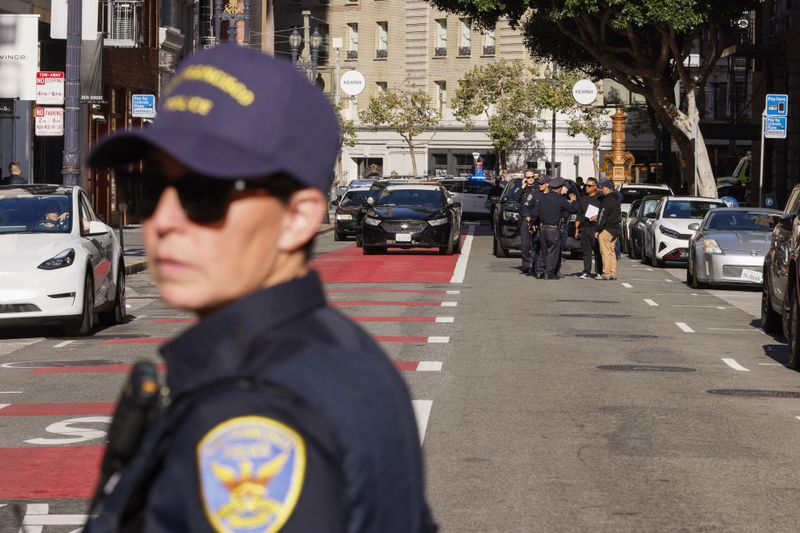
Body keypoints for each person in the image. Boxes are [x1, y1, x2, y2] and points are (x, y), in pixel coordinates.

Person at [83, 45, 435, 533]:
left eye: (202, 194)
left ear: (298, 219)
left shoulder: (256, 412)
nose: (163, 220)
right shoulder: (328, 355)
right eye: (147, 189)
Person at [532, 176, 577, 279]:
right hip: (553, 228)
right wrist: (573, 200)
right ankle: (549, 272)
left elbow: (535, 213)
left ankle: (540, 272)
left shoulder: (542, 197)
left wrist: (533, 224)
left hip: (542, 228)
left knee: (543, 251)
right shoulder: (559, 199)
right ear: (560, 188)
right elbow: (573, 209)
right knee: (553, 251)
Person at [575, 177, 603, 279]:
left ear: (595, 187)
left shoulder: (600, 199)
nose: (587, 187)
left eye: (589, 186)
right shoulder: (583, 199)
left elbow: (605, 213)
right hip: (585, 227)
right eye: (586, 185)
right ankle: (587, 271)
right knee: (586, 251)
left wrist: (598, 217)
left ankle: (599, 271)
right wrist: (577, 229)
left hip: (595, 227)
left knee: (597, 251)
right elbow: (579, 214)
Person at [595, 178, 622, 280]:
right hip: (615, 229)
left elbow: (602, 216)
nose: (602, 190)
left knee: (605, 251)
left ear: (607, 188)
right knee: (612, 251)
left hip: (607, 229)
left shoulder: (607, 200)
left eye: (603, 188)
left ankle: (606, 272)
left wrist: (598, 229)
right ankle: (612, 272)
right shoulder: (616, 200)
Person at [514, 171, 537, 274]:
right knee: (525, 245)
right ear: (525, 178)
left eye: (532, 177)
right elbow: (515, 198)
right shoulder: (522, 189)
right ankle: (526, 265)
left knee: (535, 244)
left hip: (536, 220)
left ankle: (535, 265)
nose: (531, 179)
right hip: (524, 221)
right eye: (528, 177)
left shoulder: (538, 188)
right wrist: (522, 186)